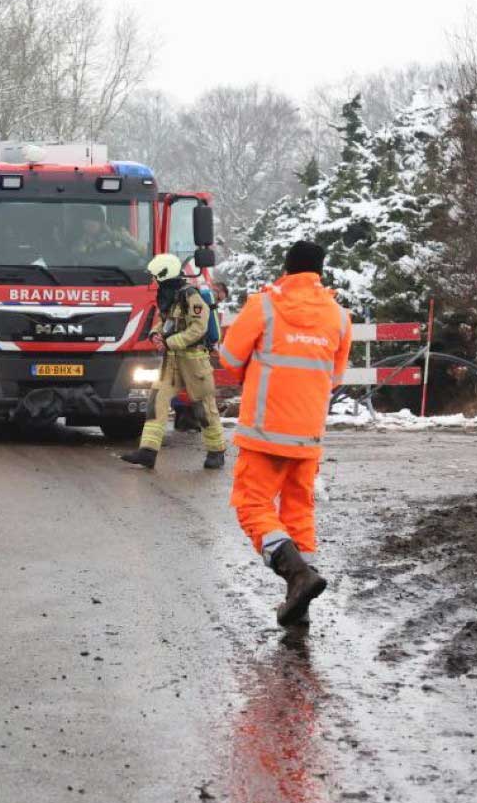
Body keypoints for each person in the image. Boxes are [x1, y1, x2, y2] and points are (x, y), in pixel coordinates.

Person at [218, 240, 351, 627]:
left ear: (286, 268)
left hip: (264, 431)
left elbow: (228, 358)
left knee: (253, 506)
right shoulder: (339, 317)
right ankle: (298, 603)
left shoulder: (264, 305)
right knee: (297, 515)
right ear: (320, 271)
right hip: (308, 436)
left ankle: (298, 576)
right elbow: (336, 377)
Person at [120, 254, 227, 471]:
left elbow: (199, 329)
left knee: (203, 409)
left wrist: (170, 342)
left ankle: (216, 451)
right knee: (156, 401)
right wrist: (155, 335)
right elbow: (162, 322)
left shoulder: (191, 296)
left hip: (194, 362)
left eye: (156, 277)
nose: (154, 281)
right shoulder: (169, 296)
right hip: (172, 362)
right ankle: (148, 452)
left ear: (164, 274)